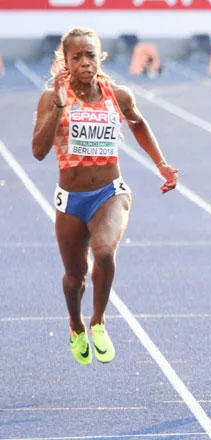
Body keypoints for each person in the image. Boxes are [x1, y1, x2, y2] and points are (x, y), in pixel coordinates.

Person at [31, 28, 178, 365]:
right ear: (65, 62)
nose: (85, 62)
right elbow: (38, 151)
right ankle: (76, 321)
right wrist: (57, 105)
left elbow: (138, 123)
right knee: (74, 278)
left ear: (100, 58)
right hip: (71, 199)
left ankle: (98, 320)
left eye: (91, 55)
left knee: (105, 252)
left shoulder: (117, 94)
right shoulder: (52, 97)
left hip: (110, 192)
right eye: (77, 57)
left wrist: (162, 165)